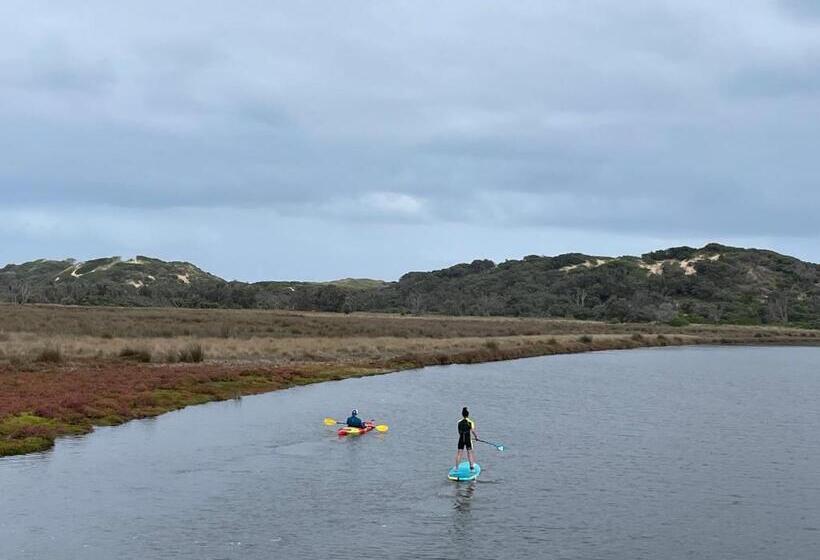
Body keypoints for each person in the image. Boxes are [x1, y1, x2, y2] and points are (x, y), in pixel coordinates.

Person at [455, 406, 478, 471]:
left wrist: (462, 436)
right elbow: (472, 431)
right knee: (469, 452)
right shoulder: (471, 422)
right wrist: (476, 437)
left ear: (462, 414)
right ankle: (471, 467)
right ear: (468, 415)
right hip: (468, 439)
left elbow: (459, 431)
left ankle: (456, 468)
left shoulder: (459, 422)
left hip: (461, 439)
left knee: (459, 453)